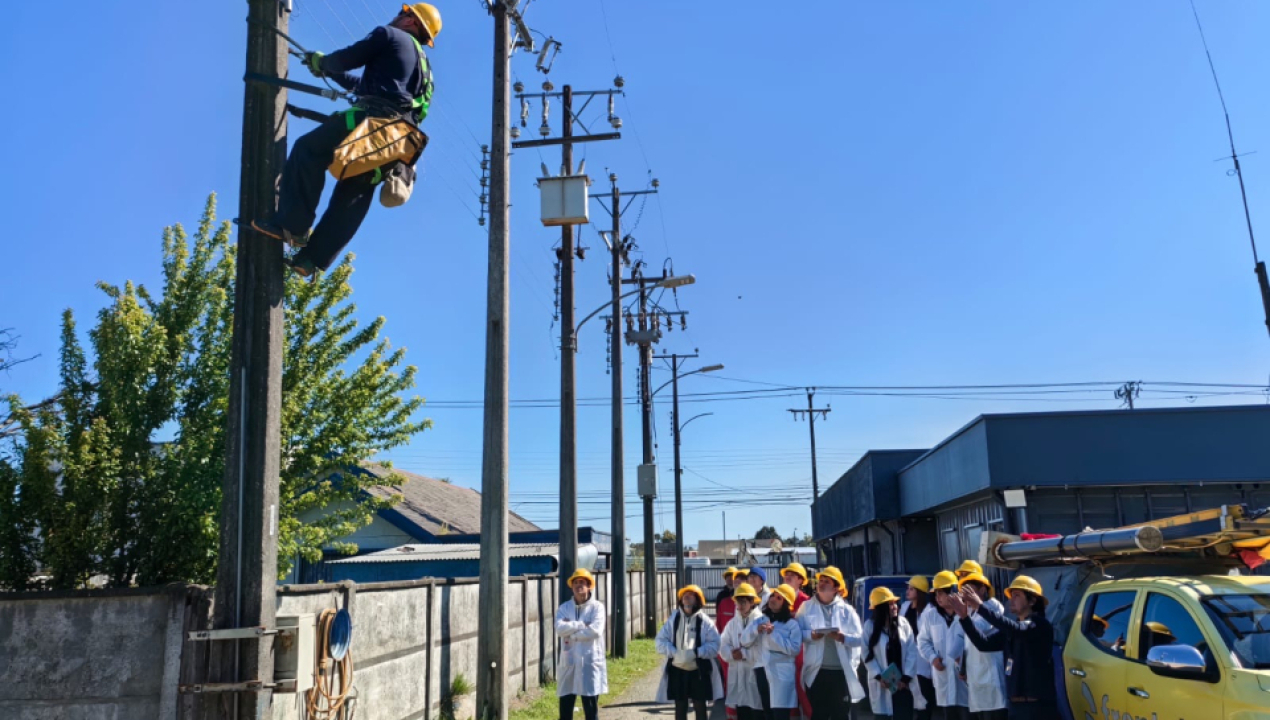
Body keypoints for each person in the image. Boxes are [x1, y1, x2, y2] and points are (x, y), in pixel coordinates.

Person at [251, 3, 441, 277]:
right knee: (356, 190)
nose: (397, 16)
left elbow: (350, 57)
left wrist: (324, 62)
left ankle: (292, 226)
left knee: (310, 150)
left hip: (371, 122)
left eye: (403, 14)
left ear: (412, 21)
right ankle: (311, 260)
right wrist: (328, 71)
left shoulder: (388, 35)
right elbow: (368, 87)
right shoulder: (424, 68)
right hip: (398, 142)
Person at [948, 576, 1058, 720]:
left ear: (1032, 601)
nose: (1011, 599)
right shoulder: (1014, 628)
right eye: (1011, 596)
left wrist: (980, 607)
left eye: (1017, 595)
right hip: (1015, 707)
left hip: (1037, 708)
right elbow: (984, 644)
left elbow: (1017, 629)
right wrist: (964, 618)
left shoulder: (1039, 625)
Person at [796, 566, 866, 720]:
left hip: (840, 673)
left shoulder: (847, 611)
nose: (821, 584)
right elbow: (796, 634)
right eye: (820, 581)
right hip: (816, 673)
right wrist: (811, 635)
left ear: (836, 587)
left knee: (840, 715)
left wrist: (842, 638)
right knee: (818, 715)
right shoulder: (806, 608)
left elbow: (860, 639)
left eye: (826, 581)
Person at [657, 584, 725, 720]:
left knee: (700, 706)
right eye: (684, 596)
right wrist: (675, 653)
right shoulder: (673, 619)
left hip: (698, 670)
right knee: (680, 706)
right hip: (677, 670)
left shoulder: (705, 621)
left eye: (691, 595)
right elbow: (660, 641)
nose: (686, 598)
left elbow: (715, 644)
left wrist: (696, 652)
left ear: (698, 600)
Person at [555, 569, 608, 720]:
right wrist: (581, 624)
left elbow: (595, 631)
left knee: (591, 710)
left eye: (582, 582)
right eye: (576, 582)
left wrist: (571, 633)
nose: (579, 586)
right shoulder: (565, 607)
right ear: (571, 586)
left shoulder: (597, 607)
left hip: (589, 662)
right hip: (569, 661)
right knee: (565, 709)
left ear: (589, 585)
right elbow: (559, 628)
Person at [918, 572, 970, 720]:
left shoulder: (966, 613)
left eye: (941, 593)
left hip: (964, 679)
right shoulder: (930, 616)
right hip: (943, 677)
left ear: (952, 592)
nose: (938, 597)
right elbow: (922, 641)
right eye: (936, 593)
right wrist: (932, 658)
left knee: (967, 714)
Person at [957, 573, 1007, 720]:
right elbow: (968, 643)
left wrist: (963, 615)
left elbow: (979, 629)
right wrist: (963, 667)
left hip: (990, 672)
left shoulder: (993, 606)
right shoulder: (971, 612)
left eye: (970, 590)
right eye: (963, 591)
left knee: (995, 712)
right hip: (976, 674)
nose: (965, 595)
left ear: (983, 589)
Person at [862, 588, 917, 720]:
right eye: (890, 604)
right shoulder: (869, 626)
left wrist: (906, 678)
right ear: (880, 608)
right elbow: (865, 654)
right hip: (882, 684)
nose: (895, 607)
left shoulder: (903, 624)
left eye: (894, 603)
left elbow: (911, 651)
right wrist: (879, 677)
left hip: (902, 685)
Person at [750, 584, 803, 720]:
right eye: (773, 595)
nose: (773, 599)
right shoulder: (760, 620)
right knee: (767, 713)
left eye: (779, 598)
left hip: (781, 674)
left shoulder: (792, 624)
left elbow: (794, 649)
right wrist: (755, 630)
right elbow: (745, 640)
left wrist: (774, 635)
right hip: (762, 669)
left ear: (786, 604)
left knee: (780, 715)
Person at [720, 582, 768, 720]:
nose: (740, 606)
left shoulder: (761, 621)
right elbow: (722, 645)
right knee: (742, 711)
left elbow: (764, 649)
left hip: (755, 674)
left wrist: (745, 654)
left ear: (752, 601)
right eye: (738, 602)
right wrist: (731, 654)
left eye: (743, 602)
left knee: (757, 711)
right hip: (737, 675)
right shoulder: (732, 624)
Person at [780, 563, 814, 720]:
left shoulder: (807, 602)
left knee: (803, 691)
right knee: (787, 694)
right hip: (782, 654)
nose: (787, 576)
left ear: (801, 580)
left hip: (802, 655)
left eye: (792, 574)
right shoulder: (778, 598)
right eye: (787, 574)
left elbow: (811, 629)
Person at [900, 576, 935, 720]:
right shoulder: (904, 607)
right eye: (908, 588)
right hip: (907, 658)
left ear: (920, 592)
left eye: (911, 589)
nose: (908, 591)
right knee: (908, 699)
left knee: (924, 697)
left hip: (923, 662)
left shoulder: (929, 610)